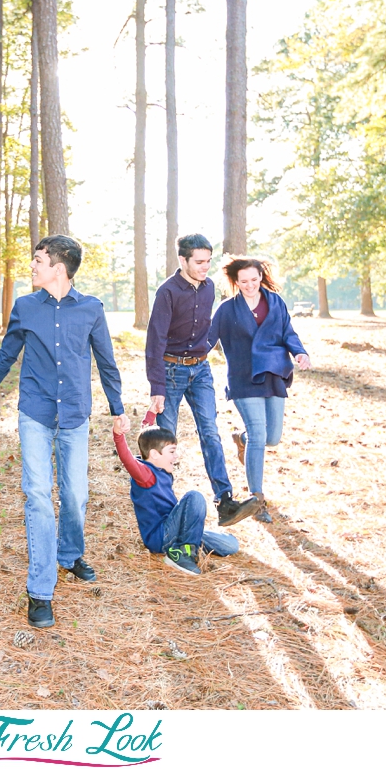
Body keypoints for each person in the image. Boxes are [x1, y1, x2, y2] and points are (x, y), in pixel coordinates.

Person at [0, 234, 127, 629]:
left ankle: (69, 555)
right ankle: (40, 590)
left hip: (74, 414)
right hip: (35, 413)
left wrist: (117, 409)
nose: (32, 267)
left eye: (38, 261)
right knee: (37, 495)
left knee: (75, 495)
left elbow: (106, 362)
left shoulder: (90, 309)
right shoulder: (25, 308)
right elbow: (6, 357)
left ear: (59, 267)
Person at [143, 234, 257, 527]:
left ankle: (225, 502)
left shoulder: (208, 289)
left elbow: (209, 329)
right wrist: (157, 387)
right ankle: (162, 507)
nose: (205, 267)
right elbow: (155, 341)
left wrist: (205, 352)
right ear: (183, 260)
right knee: (164, 440)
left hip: (201, 371)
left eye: (208, 261)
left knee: (210, 432)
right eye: (199, 262)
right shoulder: (167, 292)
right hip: (170, 372)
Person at [208, 258, 309, 522]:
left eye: (254, 279)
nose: (250, 285)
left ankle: (242, 440)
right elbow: (207, 338)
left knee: (272, 437)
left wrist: (300, 353)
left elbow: (289, 332)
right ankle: (257, 500)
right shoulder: (227, 309)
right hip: (243, 377)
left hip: (274, 373)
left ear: (261, 277)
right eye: (244, 281)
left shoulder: (275, 302)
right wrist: (185, 358)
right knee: (258, 433)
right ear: (236, 282)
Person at [114, 424, 241, 578]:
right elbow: (126, 458)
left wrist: (152, 411)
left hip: (177, 531)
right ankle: (183, 553)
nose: (176, 456)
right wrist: (118, 434)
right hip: (161, 537)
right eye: (172, 452)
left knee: (231, 545)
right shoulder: (145, 475)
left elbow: (145, 436)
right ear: (154, 454)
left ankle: (187, 544)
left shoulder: (158, 469)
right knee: (194, 497)